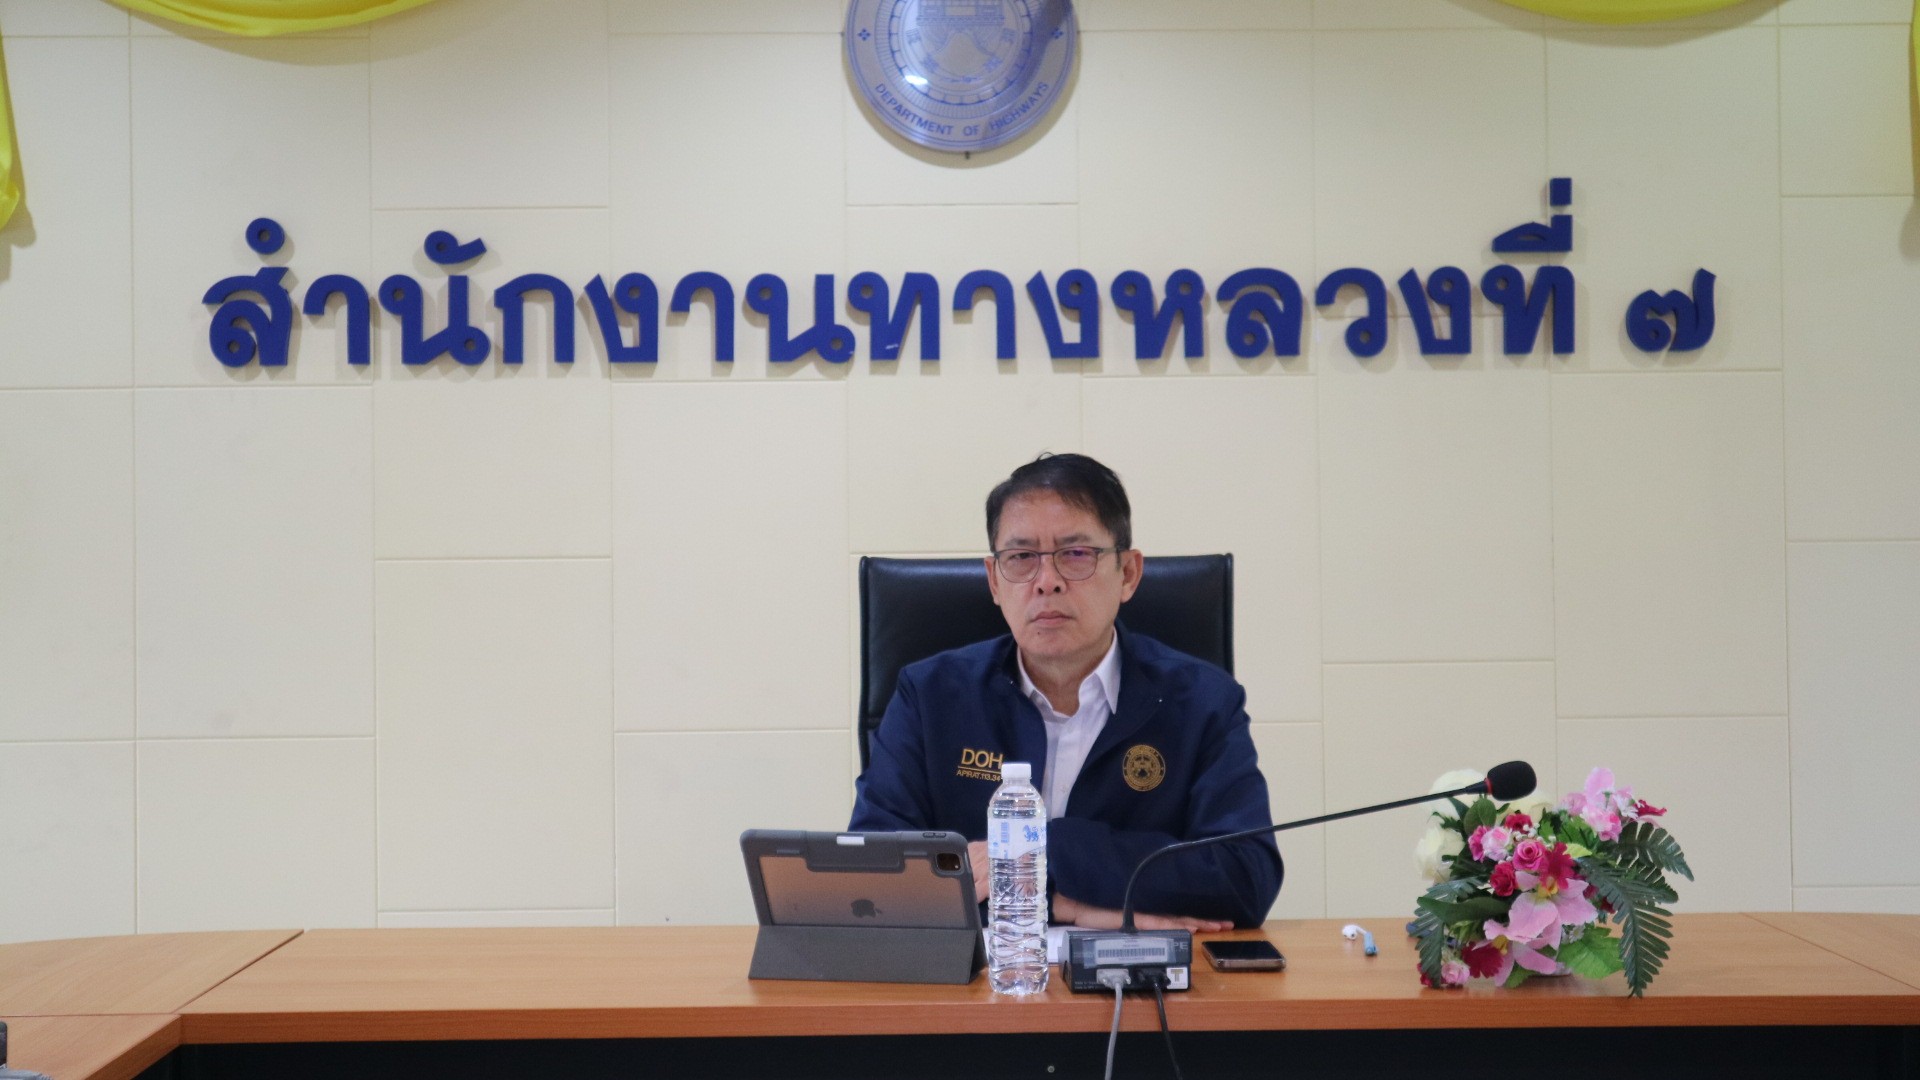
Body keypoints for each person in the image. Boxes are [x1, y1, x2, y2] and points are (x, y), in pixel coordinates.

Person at [848, 453, 1283, 930]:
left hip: (1144, 974)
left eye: (1076, 554)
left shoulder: (1203, 702)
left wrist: (1040, 849)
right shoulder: (928, 697)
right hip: (978, 973)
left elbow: (1245, 876)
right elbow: (876, 880)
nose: (1047, 582)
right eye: (1021, 558)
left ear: (1128, 573)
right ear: (994, 581)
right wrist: (1063, 906)